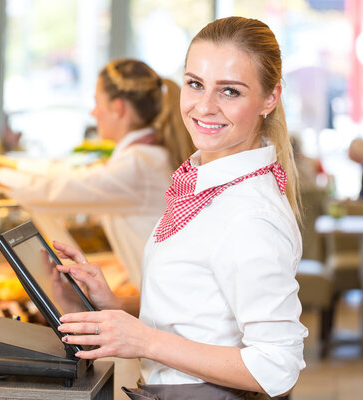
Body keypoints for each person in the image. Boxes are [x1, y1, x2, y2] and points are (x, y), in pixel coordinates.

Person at [52, 17, 307, 399]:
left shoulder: (251, 215)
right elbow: (204, 310)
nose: (204, 107)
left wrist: (146, 341)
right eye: (195, 84)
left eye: (230, 92)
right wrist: (116, 303)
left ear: (270, 98)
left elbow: (277, 366)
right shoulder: (208, 184)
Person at [0, 60, 196, 289]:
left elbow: (53, 188)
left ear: (117, 108)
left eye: (96, 103)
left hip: (174, 304)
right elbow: (61, 174)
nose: (93, 113)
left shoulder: (138, 165)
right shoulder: (145, 156)